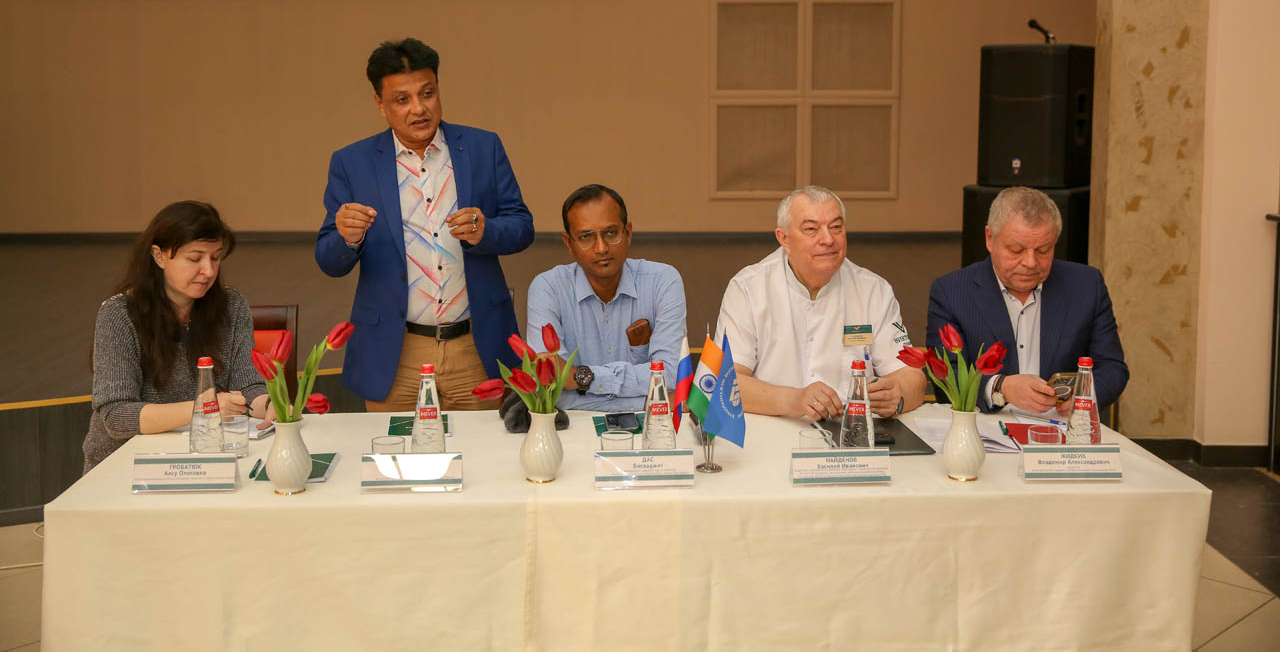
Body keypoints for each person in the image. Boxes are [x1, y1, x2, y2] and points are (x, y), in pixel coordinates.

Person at [316, 37, 534, 411]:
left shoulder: (482, 148)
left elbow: (522, 227)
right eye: (402, 99)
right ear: (380, 104)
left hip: (475, 347)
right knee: (394, 448)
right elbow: (328, 260)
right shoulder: (353, 163)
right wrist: (347, 238)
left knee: (485, 448)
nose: (419, 108)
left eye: (427, 93)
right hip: (395, 353)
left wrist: (486, 231)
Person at [83, 201, 271, 471]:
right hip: (126, 465)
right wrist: (204, 408)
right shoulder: (119, 314)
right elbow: (118, 416)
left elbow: (248, 388)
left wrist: (272, 405)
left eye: (215, 258)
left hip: (204, 456)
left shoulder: (232, 307)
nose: (208, 271)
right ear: (159, 256)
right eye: (195, 259)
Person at [715, 186, 925, 421]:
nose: (828, 240)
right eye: (811, 229)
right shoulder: (748, 288)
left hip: (850, 431)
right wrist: (794, 400)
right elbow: (725, 382)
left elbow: (912, 377)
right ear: (784, 238)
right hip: (773, 425)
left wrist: (898, 395)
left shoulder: (873, 290)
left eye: (836, 227)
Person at [926, 186, 1128, 416]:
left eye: (1043, 250)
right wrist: (1001, 387)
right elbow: (946, 377)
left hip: (1061, 426)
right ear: (989, 238)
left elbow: (1113, 368)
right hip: (985, 425)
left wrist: (1085, 395)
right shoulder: (952, 292)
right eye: (1016, 250)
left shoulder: (1086, 286)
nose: (1030, 262)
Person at [526, 185, 686, 412]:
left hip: (647, 428)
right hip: (574, 428)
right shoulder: (548, 288)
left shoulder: (663, 281)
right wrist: (647, 402)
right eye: (586, 237)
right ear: (568, 243)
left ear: (628, 233)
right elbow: (551, 390)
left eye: (611, 233)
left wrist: (581, 377)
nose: (601, 248)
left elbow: (670, 375)